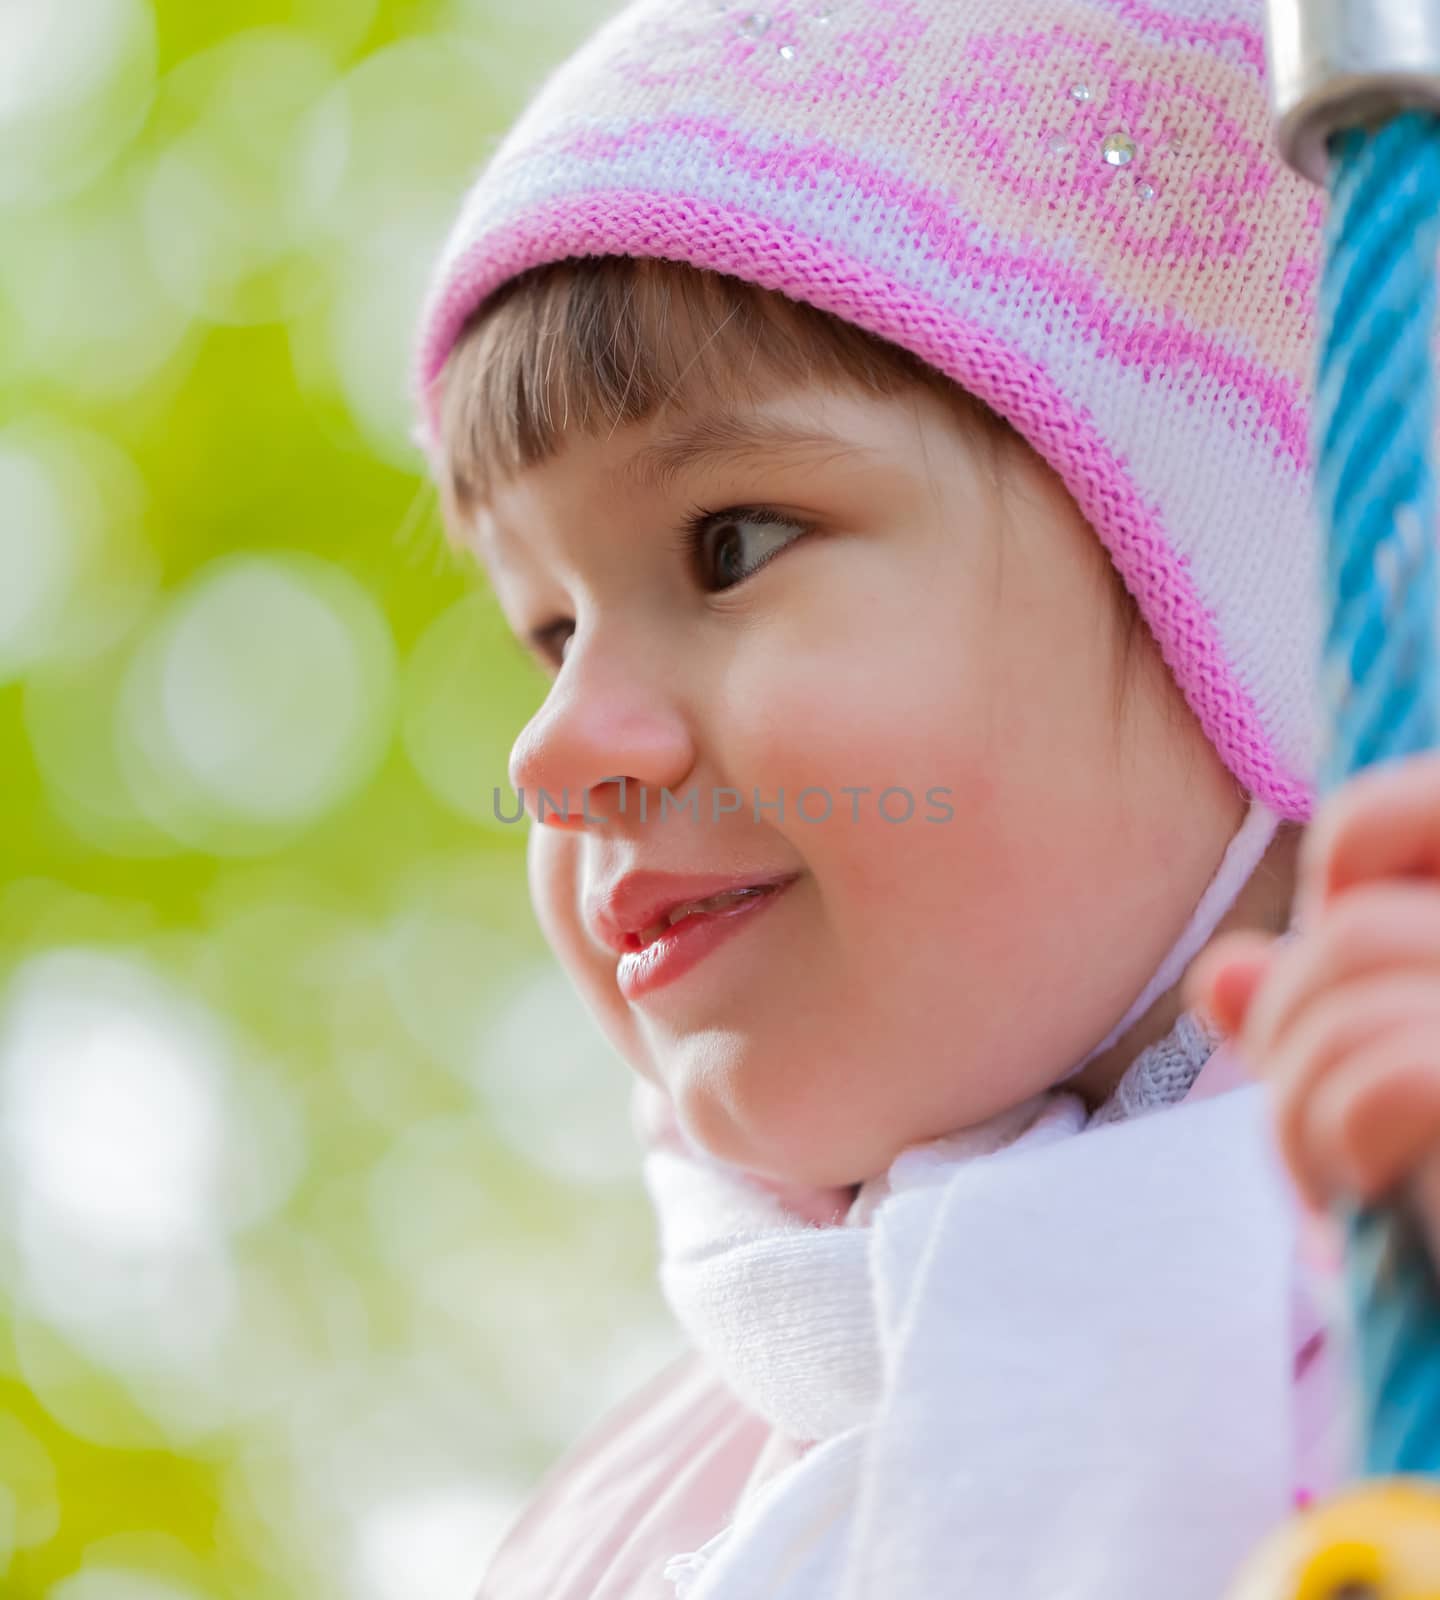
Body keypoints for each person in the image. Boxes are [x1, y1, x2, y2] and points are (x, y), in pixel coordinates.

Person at [403, 0, 1426, 1593]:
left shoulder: (1392, 1282)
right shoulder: (620, 1523)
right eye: (549, 627)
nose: (549, 749)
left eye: (729, 544)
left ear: (1238, 590)